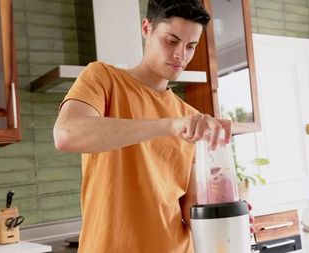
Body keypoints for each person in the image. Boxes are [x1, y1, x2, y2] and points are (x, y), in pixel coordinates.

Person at [53, 0, 251, 252]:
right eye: (171, 41)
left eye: (191, 46)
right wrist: (168, 126)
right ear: (146, 28)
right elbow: (66, 134)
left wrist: (226, 219)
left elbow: (189, 206)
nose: (182, 54)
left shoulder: (189, 116)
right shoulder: (102, 78)